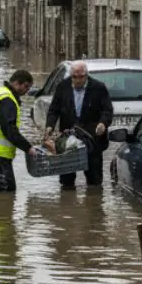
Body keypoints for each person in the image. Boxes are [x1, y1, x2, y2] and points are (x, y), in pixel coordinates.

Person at [44, 60, 114, 190]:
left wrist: (102, 124)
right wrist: (50, 126)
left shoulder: (98, 88)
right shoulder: (62, 87)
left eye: (81, 77)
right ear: (71, 75)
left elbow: (107, 110)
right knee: (66, 180)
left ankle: (94, 201)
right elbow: (54, 110)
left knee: (94, 181)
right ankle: (67, 200)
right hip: (68, 138)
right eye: (74, 77)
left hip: (92, 138)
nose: (77, 80)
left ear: (86, 75)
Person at [0, 69, 44, 192]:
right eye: (26, 86)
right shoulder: (8, 100)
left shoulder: (0, 92)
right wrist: (28, 148)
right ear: (16, 83)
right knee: (7, 191)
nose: (27, 91)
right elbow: (9, 130)